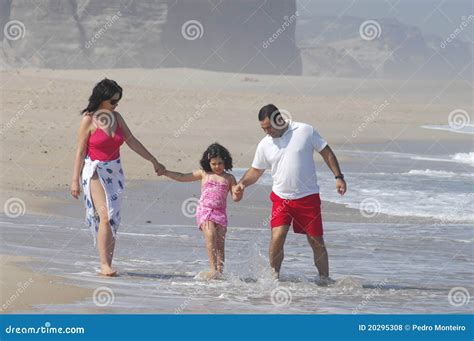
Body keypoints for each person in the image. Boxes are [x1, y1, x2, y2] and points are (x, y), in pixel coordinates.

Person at [233, 104, 346, 285]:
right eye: (263, 128)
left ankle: (325, 279)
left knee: (316, 241)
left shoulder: (304, 131)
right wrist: (242, 184)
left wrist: (338, 177)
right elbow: (256, 171)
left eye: (269, 127)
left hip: (308, 197)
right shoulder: (265, 145)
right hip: (281, 199)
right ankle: (273, 279)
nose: (267, 132)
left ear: (279, 119)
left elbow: (326, 152)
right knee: (277, 237)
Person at [70, 78, 166, 276]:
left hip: (115, 173)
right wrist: (74, 181)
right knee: (105, 216)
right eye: (113, 101)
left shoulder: (118, 117)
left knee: (112, 218)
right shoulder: (89, 119)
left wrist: (153, 160)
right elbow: (80, 151)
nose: (116, 104)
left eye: (118, 101)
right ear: (102, 99)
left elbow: (132, 142)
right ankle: (104, 265)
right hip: (95, 171)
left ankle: (108, 263)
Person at [165, 143, 242, 279]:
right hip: (205, 211)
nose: (217, 166)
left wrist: (239, 191)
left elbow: (236, 198)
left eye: (220, 163)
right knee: (210, 234)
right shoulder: (204, 174)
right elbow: (182, 176)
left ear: (225, 162)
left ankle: (220, 272)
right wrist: (165, 172)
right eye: (213, 163)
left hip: (220, 213)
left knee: (220, 243)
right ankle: (213, 270)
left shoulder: (229, 178)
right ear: (208, 162)